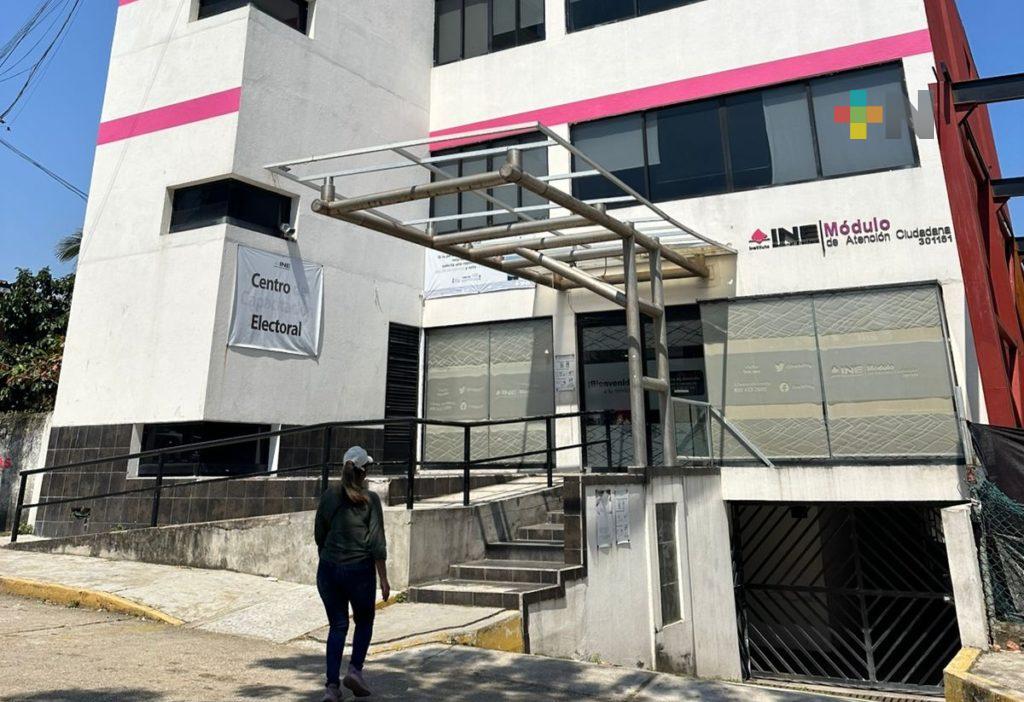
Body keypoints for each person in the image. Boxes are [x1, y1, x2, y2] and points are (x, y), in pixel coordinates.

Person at [314, 446, 390, 700]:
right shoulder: (370, 500)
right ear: (364, 471)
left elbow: (319, 533)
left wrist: (328, 558)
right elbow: (377, 542)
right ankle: (355, 670)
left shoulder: (328, 496)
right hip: (359, 571)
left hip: (329, 570)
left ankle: (331, 687)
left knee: (337, 625)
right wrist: (383, 578)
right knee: (364, 621)